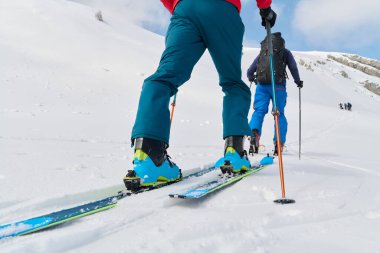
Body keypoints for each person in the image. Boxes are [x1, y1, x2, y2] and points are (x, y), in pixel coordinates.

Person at [124, 0, 277, 190]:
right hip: (222, 9)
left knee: (163, 78)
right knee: (232, 83)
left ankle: (148, 158)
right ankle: (234, 152)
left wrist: (178, 6)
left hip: (186, 9)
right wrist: (265, 8)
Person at [247, 33, 302, 156]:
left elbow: (250, 70)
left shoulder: (263, 51)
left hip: (262, 86)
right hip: (278, 87)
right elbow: (293, 67)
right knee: (278, 113)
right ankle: (279, 143)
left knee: (259, 112)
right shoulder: (285, 52)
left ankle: (254, 136)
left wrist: (252, 78)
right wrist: (297, 81)